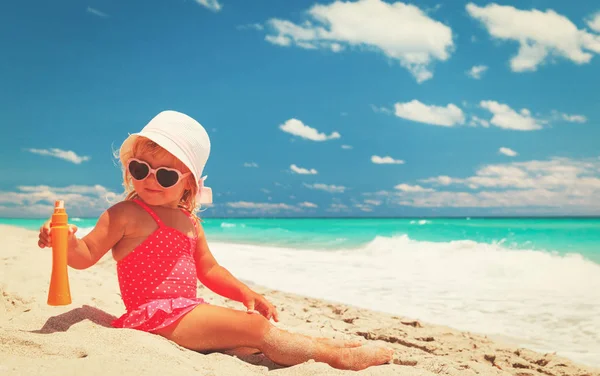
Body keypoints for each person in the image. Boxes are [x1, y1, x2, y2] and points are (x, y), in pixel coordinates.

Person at [37, 110, 394, 370]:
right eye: (140, 168)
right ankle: (337, 357)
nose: (149, 180)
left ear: (188, 183)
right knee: (255, 328)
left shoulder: (190, 222)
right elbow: (85, 255)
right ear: (130, 169)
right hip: (154, 318)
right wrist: (64, 240)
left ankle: (315, 345)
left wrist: (246, 293)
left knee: (244, 333)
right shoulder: (124, 214)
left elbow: (209, 269)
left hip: (185, 313)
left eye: (164, 174)